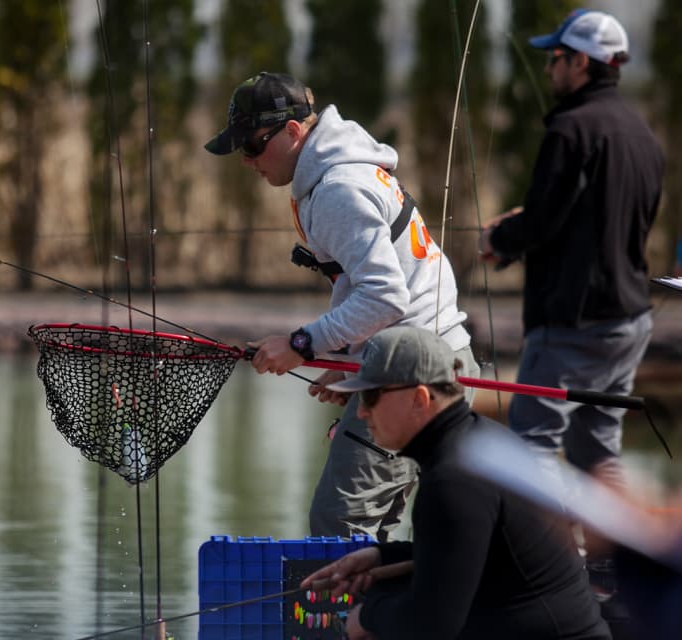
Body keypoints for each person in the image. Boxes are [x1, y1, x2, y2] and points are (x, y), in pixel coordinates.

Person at [204, 72, 478, 541]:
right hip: (421, 361)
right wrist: (355, 362)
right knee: (371, 536)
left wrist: (301, 344)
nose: (247, 161)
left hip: (414, 373)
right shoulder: (341, 172)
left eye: (251, 145)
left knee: (339, 525)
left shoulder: (337, 189)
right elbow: (378, 289)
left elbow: (386, 296)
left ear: (292, 133)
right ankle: (379, 616)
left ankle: (346, 619)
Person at [300, 326, 611, 640]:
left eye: (370, 396)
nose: (362, 412)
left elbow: (432, 625)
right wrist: (383, 556)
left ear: (419, 399)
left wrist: (367, 617)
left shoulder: (454, 480)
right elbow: (464, 550)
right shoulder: (477, 442)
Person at [480, 9, 661, 494]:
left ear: (580, 62)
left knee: (529, 447)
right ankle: (617, 563)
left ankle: (546, 566)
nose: (548, 68)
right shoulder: (642, 135)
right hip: (628, 320)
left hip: (572, 325)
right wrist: (523, 228)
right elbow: (594, 217)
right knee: (597, 452)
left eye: (555, 57)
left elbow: (542, 219)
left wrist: (498, 240)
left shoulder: (570, 131)